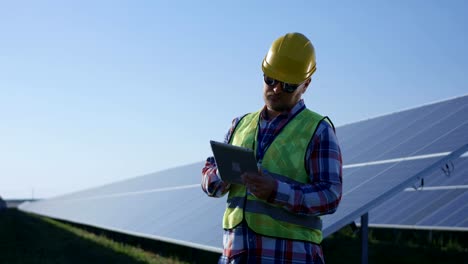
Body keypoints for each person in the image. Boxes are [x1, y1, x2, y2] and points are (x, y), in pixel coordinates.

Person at [201, 32, 343, 264]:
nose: (276, 89)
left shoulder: (318, 130)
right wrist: (222, 175)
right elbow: (209, 181)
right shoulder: (240, 125)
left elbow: (330, 196)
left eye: (288, 85)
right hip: (236, 256)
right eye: (270, 80)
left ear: (305, 85)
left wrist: (277, 191)